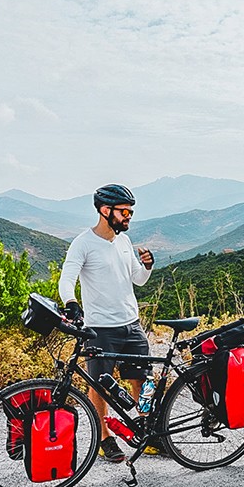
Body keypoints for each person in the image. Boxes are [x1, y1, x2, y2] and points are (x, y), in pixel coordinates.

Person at [59, 183, 155, 463]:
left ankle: (147, 434)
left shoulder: (124, 241)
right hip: (100, 329)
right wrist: (72, 304)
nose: (128, 217)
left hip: (132, 325)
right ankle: (104, 438)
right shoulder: (84, 243)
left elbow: (137, 279)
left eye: (130, 212)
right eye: (124, 211)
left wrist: (147, 266)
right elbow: (67, 279)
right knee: (99, 386)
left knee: (142, 381)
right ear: (105, 210)